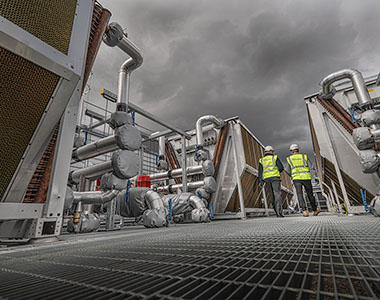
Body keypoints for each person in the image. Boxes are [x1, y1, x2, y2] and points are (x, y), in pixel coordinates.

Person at [285, 144, 320, 217]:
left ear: (291, 151)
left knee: (299, 194)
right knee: (310, 193)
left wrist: (292, 176)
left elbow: (287, 170)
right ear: (298, 150)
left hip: (296, 179)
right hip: (306, 177)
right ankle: (314, 210)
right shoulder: (304, 157)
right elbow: (311, 168)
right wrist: (315, 177)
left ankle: (304, 211)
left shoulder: (289, 159)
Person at [258, 145, 284, 217]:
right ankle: (279, 212)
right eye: (272, 151)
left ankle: (276, 212)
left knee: (271, 195)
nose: (273, 153)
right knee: (277, 194)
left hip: (267, 179)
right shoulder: (274, 158)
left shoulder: (262, 160)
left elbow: (260, 171)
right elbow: (281, 168)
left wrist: (260, 180)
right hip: (275, 178)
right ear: (270, 151)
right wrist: (277, 171)